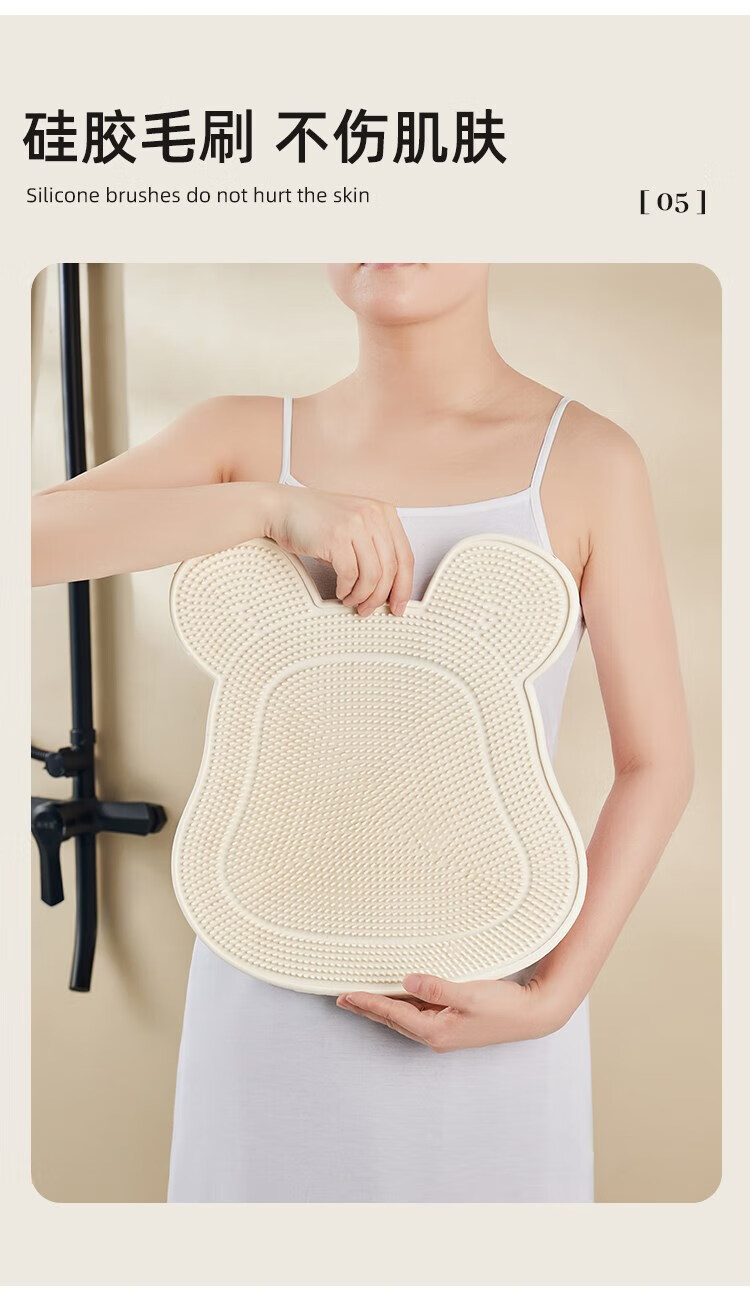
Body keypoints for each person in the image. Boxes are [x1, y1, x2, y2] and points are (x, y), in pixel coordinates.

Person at [32, 262, 693, 1202]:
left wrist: (550, 998)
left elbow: (657, 764)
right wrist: (268, 507)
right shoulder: (242, 438)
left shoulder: (587, 461)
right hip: (264, 998)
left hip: (488, 1004)